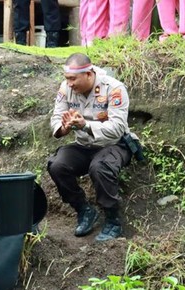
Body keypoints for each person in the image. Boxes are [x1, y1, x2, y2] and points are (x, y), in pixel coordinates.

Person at [47, 53, 139, 242]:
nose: (69, 83)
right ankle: (84, 210)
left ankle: (113, 220)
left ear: (89, 74)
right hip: (84, 145)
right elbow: (57, 117)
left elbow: (116, 129)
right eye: (67, 78)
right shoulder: (66, 88)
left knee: (100, 167)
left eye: (73, 79)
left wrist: (85, 126)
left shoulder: (114, 89)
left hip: (114, 144)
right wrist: (63, 128)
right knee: (57, 165)